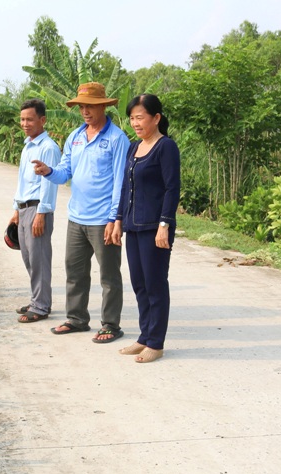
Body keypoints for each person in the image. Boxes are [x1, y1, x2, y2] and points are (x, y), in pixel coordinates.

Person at [32, 82, 129, 342]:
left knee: (109, 275)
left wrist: (114, 219)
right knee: (74, 272)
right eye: (82, 106)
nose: (85, 111)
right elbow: (65, 172)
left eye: (90, 106)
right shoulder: (75, 136)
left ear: (103, 106)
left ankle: (110, 324)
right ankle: (76, 319)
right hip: (76, 218)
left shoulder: (117, 139)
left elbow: (121, 181)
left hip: (103, 221)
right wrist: (48, 171)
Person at [111, 94, 181, 363]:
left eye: (140, 117)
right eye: (132, 118)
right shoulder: (132, 147)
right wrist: (118, 220)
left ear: (156, 118)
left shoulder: (166, 147)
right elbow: (125, 187)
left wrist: (165, 224)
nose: (135, 123)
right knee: (139, 283)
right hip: (133, 225)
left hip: (155, 227)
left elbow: (172, 188)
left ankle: (156, 342)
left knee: (155, 284)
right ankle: (144, 336)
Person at [9, 99, 61, 323]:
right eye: (22, 119)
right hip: (23, 209)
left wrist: (42, 213)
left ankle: (40, 306)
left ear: (42, 120)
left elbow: (49, 183)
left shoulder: (48, 148)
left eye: (29, 119)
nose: (25, 123)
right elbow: (22, 181)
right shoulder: (27, 146)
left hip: (37, 209)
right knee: (29, 258)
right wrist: (15, 210)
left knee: (39, 258)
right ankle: (37, 300)